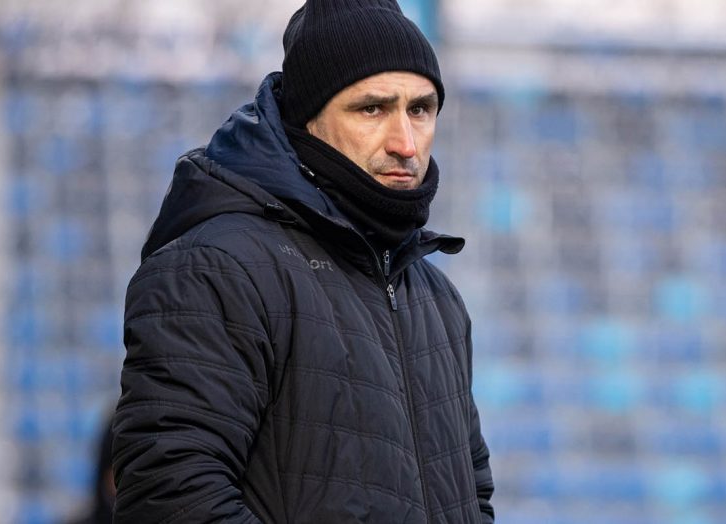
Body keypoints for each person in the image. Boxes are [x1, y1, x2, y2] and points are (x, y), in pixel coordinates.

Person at [112, 0, 495, 522]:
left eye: (420, 110)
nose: (406, 144)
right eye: (372, 109)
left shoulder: (434, 295)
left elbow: (472, 496)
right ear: (307, 121)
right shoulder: (215, 268)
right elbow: (172, 497)